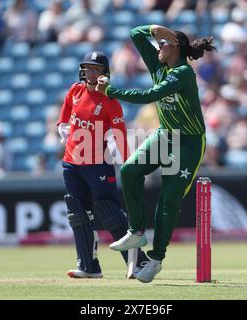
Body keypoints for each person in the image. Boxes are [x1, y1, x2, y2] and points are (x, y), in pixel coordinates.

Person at [96, 25, 215, 283]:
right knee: (129, 171)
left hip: (188, 143)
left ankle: (156, 259)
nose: (157, 47)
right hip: (165, 135)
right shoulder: (159, 64)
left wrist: (111, 91)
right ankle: (137, 230)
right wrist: (155, 29)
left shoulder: (183, 73)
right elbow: (135, 35)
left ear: (175, 47)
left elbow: (151, 95)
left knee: (168, 200)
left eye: (162, 43)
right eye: (159, 43)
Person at [57, 51, 149, 279]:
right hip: (72, 163)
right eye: (88, 68)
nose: (91, 73)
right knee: (78, 212)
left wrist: (125, 160)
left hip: (98, 164)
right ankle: (89, 266)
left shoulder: (110, 100)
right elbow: (66, 110)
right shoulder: (75, 90)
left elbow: (119, 133)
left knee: (109, 211)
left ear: (105, 73)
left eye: (96, 69)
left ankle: (138, 262)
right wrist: (61, 125)